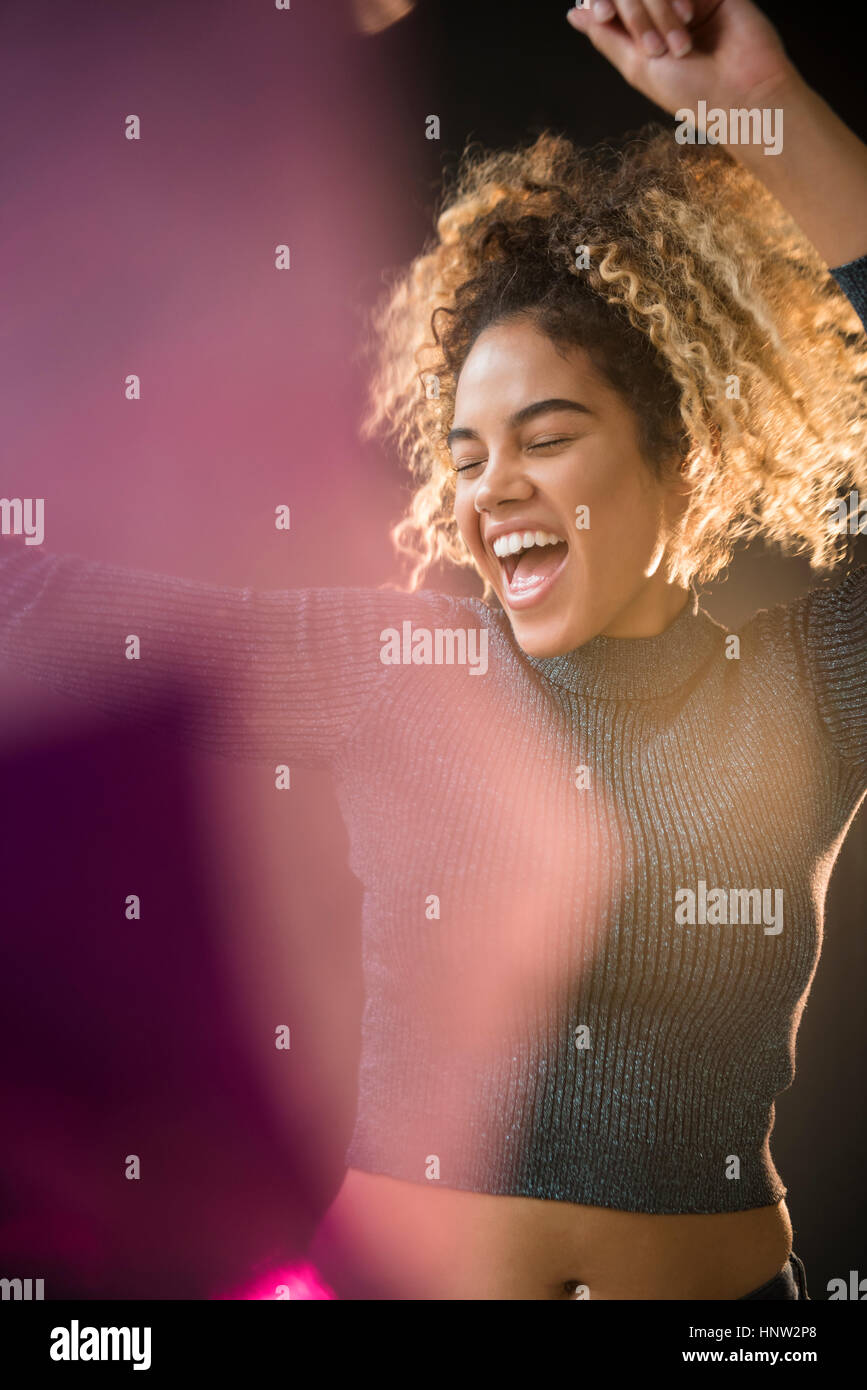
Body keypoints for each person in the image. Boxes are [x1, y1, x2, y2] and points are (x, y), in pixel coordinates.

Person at [1, 0, 866, 1298]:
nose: (491, 489)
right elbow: (36, 595)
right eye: (465, 453)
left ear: (675, 463)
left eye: (548, 434)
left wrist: (756, 104)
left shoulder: (808, 686)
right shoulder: (390, 664)